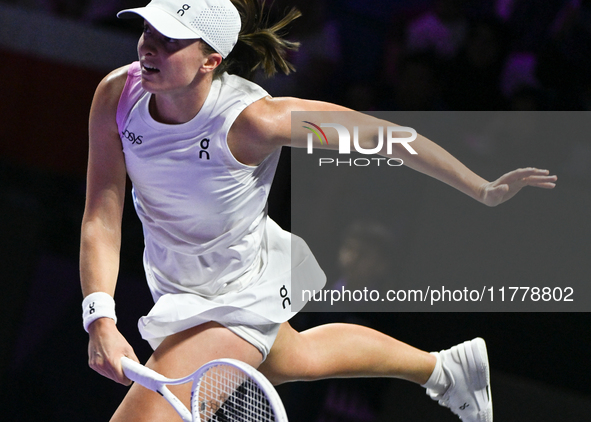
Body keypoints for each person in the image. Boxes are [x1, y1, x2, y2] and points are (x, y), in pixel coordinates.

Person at [80, 1, 557, 421]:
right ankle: (444, 370)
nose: (149, 47)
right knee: (296, 357)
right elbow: (103, 215)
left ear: (211, 60)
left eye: (170, 40)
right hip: (176, 283)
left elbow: (382, 136)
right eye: (148, 31)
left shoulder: (254, 121)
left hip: (238, 296)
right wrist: (100, 317)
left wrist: (480, 187)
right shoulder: (118, 95)